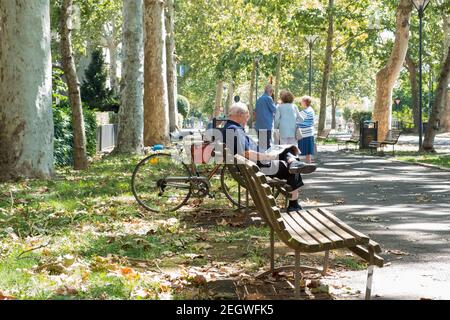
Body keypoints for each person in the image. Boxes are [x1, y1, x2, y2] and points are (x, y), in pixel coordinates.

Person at [220, 102, 316, 212]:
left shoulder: (229, 127)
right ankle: (294, 203)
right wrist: (267, 156)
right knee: (290, 168)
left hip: (251, 165)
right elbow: (245, 153)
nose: (248, 116)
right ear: (239, 114)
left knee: (287, 151)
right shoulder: (234, 129)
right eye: (247, 113)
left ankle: (293, 162)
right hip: (256, 167)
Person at [255, 84, 277, 151]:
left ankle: (260, 160)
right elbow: (275, 110)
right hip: (266, 125)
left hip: (259, 125)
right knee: (267, 145)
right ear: (271, 91)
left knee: (261, 144)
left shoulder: (259, 99)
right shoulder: (268, 98)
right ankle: (266, 160)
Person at [297, 96, 316, 164]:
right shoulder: (311, 110)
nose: (300, 102)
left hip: (304, 133)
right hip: (310, 133)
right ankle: (309, 164)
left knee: (298, 149)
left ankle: (298, 165)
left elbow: (297, 120)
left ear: (305, 102)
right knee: (308, 151)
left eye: (301, 101)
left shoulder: (305, 112)